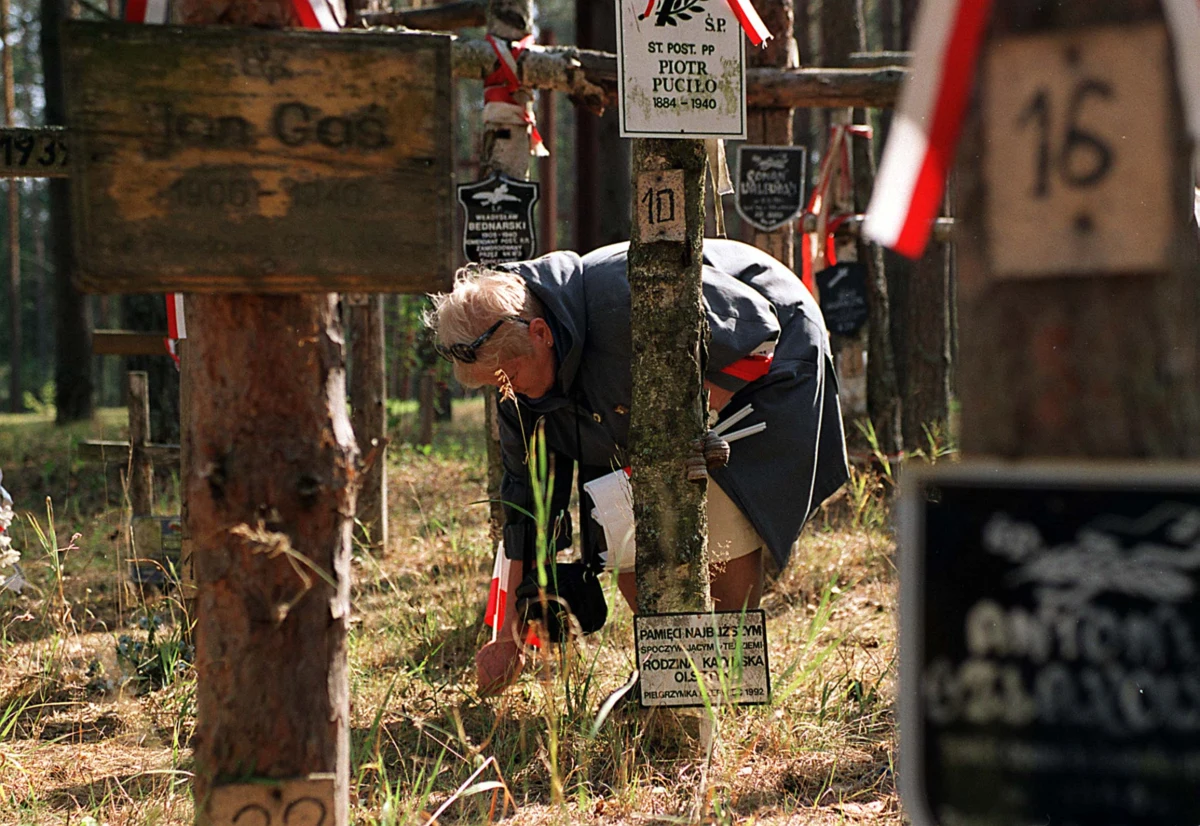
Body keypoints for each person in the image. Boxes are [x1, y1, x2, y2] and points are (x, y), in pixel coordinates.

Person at [424, 239, 849, 693]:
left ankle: (725, 685)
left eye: (508, 380)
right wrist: (507, 638)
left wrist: (695, 420)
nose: (506, 395)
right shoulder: (516, 386)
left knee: (722, 524)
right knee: (625, 536)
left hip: (771, 367)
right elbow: (525, 504)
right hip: (657, 409)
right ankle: (672, 678)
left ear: (541, 334)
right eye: (495, 386)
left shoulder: (626, 291)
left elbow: (758, 333)